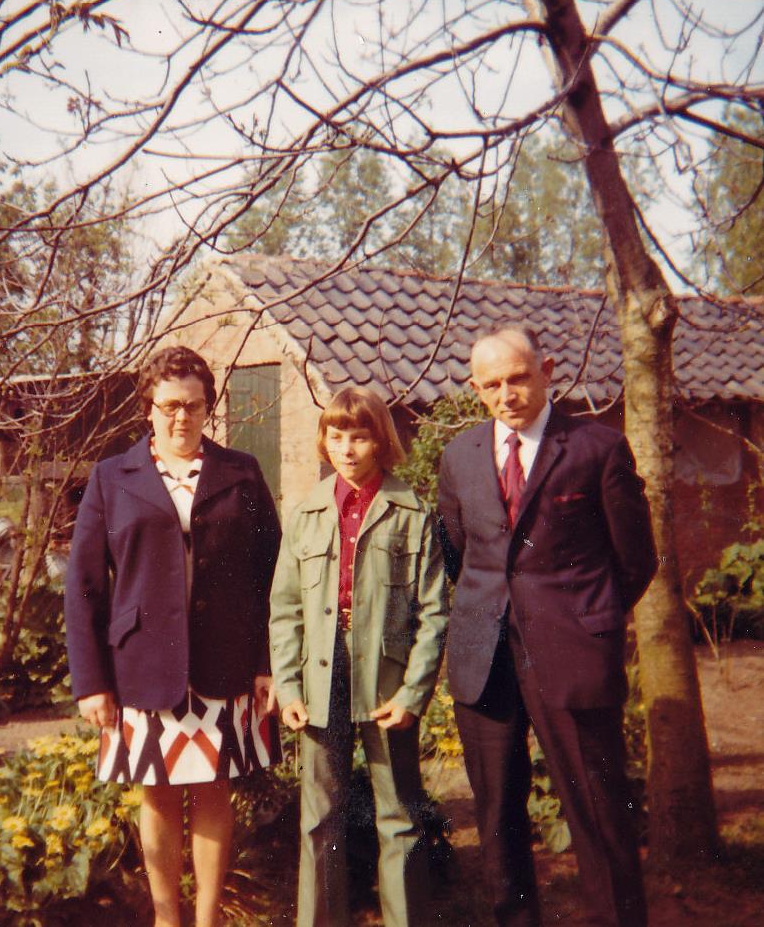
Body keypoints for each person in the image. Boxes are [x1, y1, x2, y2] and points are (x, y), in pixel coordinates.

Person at [437, 324, 658, 927]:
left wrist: (588, 621)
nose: (505, 394)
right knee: (498, 819)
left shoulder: (597, 448)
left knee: (599, 814)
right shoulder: (458, 457)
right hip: (486, 659)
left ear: (548, 370)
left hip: (572, 656)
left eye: (517, 378)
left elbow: (636, 560)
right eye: (490, 385)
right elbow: (459, 555)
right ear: (475, 388)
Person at [64, 346, 282, 927]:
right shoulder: (111, 478)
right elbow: (83, 585)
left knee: (213, 788)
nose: (180, 418)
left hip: (225, 659)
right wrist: (91, 682)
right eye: (168, 406)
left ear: (208, 407)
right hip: (141, 666)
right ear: (148, 409)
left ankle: (206, 920)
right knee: (156, 793)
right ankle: (167, 918)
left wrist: (267, 662)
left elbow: (272, 574)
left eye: (193, 405)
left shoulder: (242, 472)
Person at [269, 386, 448, 927]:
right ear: (324, 440)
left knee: (397, 815)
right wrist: (289, 686)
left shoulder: (412, 513)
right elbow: (285, 609)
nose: (347, 449)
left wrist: (413, 692)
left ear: (380, 441)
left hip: (386, 680)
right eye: (337, 436)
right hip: (321, 673)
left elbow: (435, 612)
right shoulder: (305, 512)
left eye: (360, 436)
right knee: (320, 816)